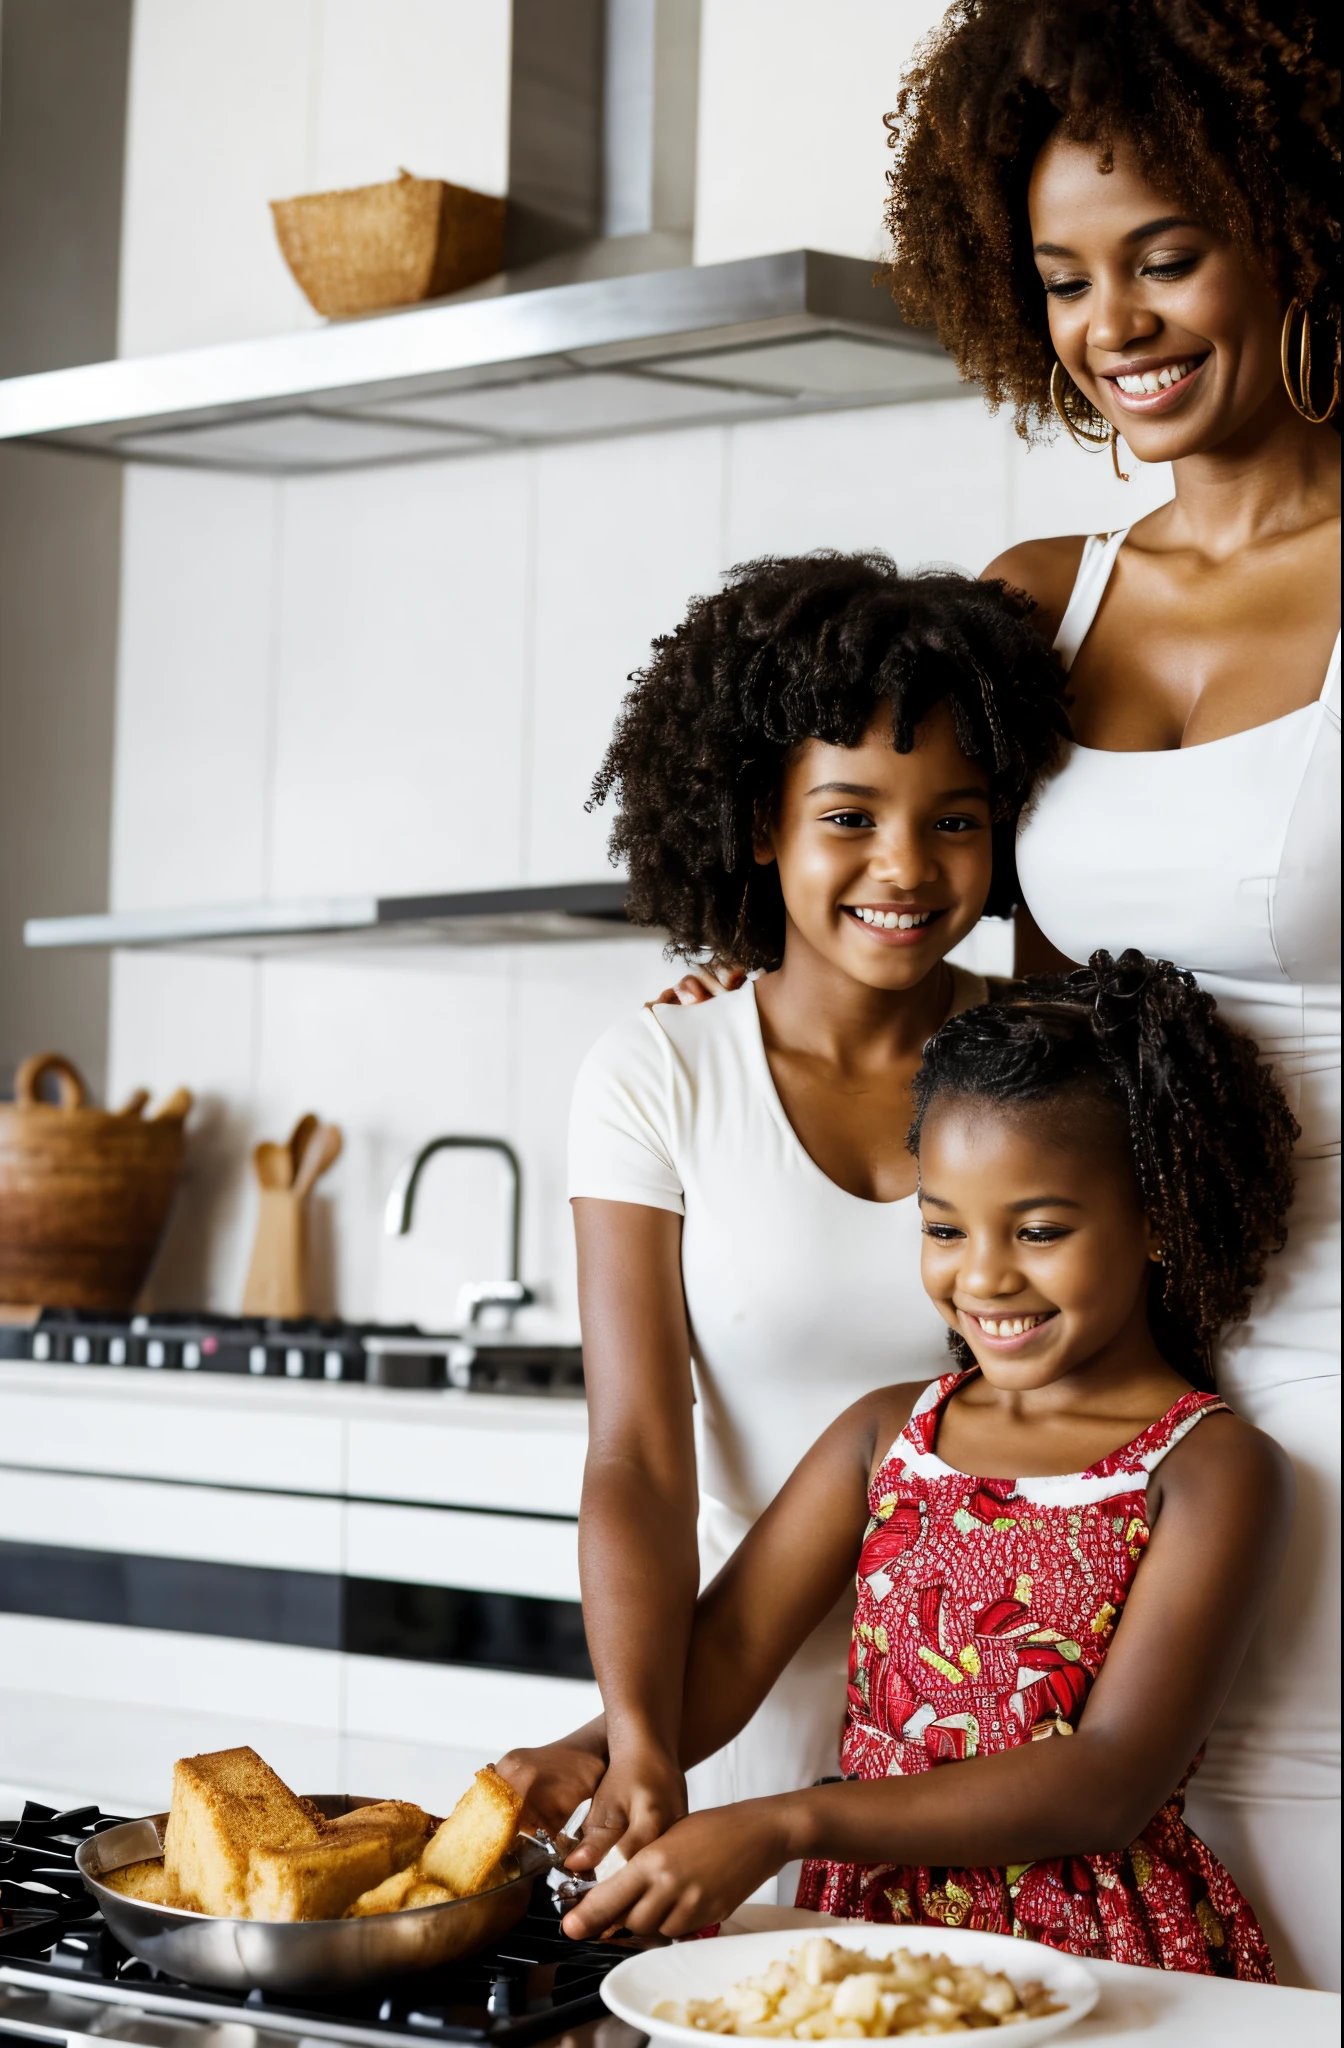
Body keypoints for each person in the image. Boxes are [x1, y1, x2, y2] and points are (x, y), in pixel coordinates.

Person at [658, 0, 1340, 1985]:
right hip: (1112, 1344)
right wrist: (772, 964)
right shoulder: (1052, 592)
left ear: (1295, 230)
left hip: (1336, 1355)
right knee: (1052, 1945)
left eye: (1166, 251)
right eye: (1063, 277)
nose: (1114, 318)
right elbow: (962, 954)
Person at [546, 952, 1299, 1983]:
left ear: (1159, 1218)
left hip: (1093, 1962)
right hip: (870, 1947)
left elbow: (1110, 1777)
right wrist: (594, 1747)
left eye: (1038, 1229)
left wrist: (786, 1821)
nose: (982, 1273)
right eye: (944, 1226)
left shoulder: (1211, 1468)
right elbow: (719, 1657)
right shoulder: (884, 1432)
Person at [497, 555, 1067, 1895]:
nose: (906, 868)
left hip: (998, 1714)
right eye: (850, 816)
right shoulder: (661, 1073)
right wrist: (639, 1737)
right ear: (762, 822)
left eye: (957, 821)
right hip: (730, 1720)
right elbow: (636, 1454)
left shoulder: (1048, 1069)